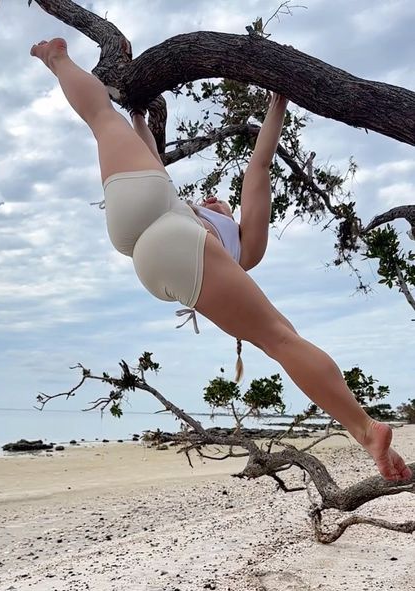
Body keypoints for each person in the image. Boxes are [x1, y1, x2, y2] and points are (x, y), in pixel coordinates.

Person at [30, 38, 412, 483]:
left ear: (234, 216)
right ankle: (363, 430)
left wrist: (278, 100)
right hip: (152, 254)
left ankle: (57, 58)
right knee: (279, 341)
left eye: (222, 203)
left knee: (100, 119)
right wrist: (138, 114)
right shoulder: (191, 215)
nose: (214, 199)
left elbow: (259, 167)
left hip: (152, 239)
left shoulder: (244, 248)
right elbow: (151, 160)